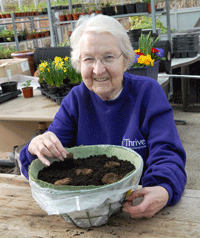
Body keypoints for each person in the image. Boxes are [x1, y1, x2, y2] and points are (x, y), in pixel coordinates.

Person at [20, 14, 187, 219]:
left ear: (125, 60)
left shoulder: (148, 93)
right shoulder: (77, 99)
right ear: (79, 64)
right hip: (85, 211)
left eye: (108, 57)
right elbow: (48, 152)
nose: (98, 70)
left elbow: (167, 152)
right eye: (88, 59)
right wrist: (36, 145)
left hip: (134, 208)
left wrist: (164, 187)